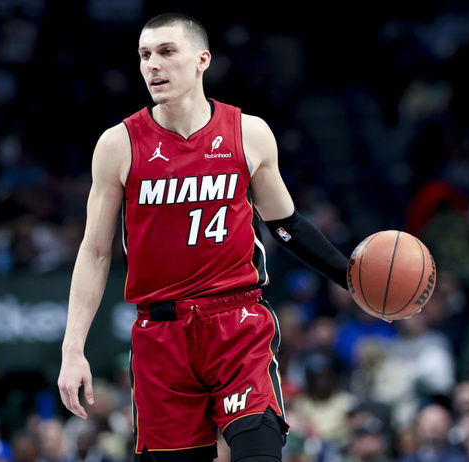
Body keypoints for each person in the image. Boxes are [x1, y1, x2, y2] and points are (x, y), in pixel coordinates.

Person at [57, 13, 350, 462]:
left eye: (166, 52)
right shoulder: (119, 144)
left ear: (201, 60)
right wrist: (72, 349)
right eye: (144, 55)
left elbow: (286, 225)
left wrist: (350, 278)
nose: (153, 64)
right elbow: (95, 252)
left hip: (236, 324)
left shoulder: (248, 132)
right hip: (161, 335)